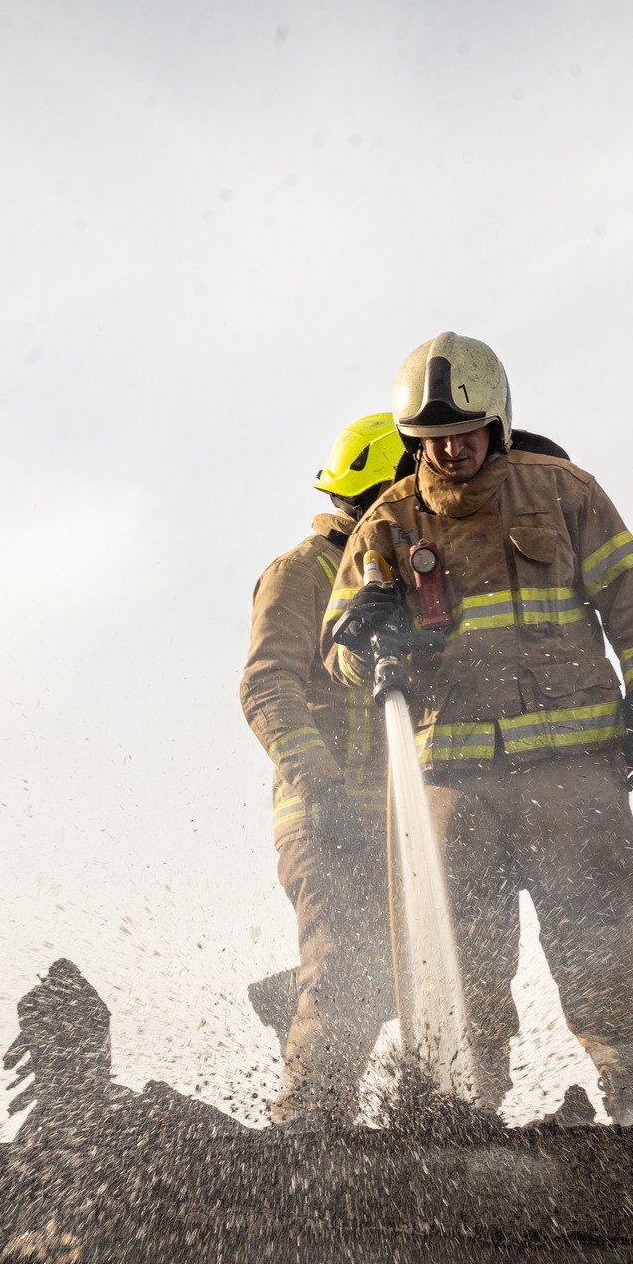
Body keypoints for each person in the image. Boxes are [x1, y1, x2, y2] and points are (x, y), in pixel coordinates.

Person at [325, 332, 633, 1123]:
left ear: (498, 422)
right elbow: (340, 657)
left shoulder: (563, 492)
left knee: (608, 960)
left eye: (465, 433)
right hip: (454, 796)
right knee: (457, 976)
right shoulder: (385, 524)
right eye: (432, 439)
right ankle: (461, 1126)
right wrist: (362, 632)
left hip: (573, 780)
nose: (451, 451)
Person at [239, 413, 403, 1127]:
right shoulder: (301, 572)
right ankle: (306, 1134)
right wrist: (323, 789)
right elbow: (266, 686)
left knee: (407, 969)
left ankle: (293, 1001)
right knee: (344, 977)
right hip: (325, 811)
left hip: (391, 819)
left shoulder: (392, 577)